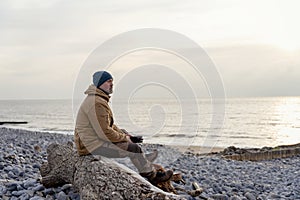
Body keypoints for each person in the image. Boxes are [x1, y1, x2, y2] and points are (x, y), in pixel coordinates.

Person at [74, 70, 173, 184]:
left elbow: (108, 125)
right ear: (99, 84)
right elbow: (104, 132)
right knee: (133, 148)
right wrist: (125, 139)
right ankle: (153, 176)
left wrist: (125, 135)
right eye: (108, 81)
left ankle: (142, 158)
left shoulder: (98, 99)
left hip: (92, 141)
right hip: (91, 146)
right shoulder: (97, 102)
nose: (111, 84)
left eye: (112, 81)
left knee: (125, 134)